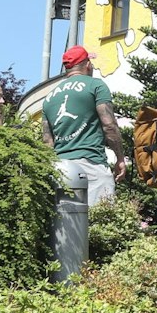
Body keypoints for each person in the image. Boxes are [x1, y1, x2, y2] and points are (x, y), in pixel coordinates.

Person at [40, 45, 126, 207]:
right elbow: (109, 126)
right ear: (87, 64)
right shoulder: (95, 85)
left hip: (61, 169)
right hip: (91, 166)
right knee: (100, 225)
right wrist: (120, 158)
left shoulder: (49, 97)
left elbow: (47, 143)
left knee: (67, 226)